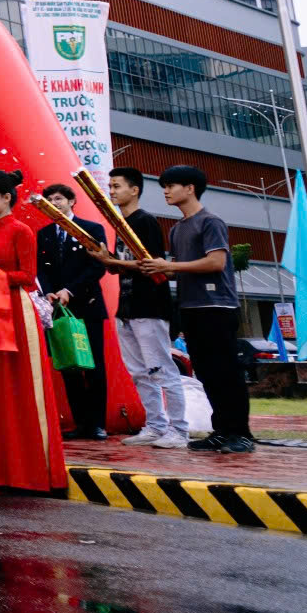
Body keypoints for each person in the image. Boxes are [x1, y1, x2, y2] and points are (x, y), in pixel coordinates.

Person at [0, 170, 65, 494]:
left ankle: (36, 472)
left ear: (7, 197)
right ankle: (6, 472)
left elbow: (27, 275)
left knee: (24, 387)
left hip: (17, 312)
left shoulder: (22, 231)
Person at [157, 165, 253, 454]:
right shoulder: (176, 229)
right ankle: (221, 432)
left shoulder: (210, 222)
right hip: (191, 307)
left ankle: (241, 434)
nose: (166, 191)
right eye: (165, 186)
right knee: (208, 374)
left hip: (217, 306)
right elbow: (180, 269)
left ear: (190, 188)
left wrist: (170, 266)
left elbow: (216, 263)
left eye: (172, 185)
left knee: (227, 373)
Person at [105, 167, 186, 449]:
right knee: (138, 372)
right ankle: (155, 425)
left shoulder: (145, 221)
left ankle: (179, 430)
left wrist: (112, 261)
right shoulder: (120, 224)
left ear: (134, 189)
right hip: (126, 308)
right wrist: (105, 259)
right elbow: (119, 266)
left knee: (162, 369)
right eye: (110, 186)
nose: (112, 191)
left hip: (150, 307)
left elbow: (148, 264)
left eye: (116, 186)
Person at [36, 183, 110, 441]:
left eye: (59, 199)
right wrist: (49, 291)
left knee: (93, 366)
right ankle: (81, 422)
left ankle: (98, 424)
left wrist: (70, 290)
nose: (55, 203)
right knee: (69, 365)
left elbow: (97, 267)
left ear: (71, 201)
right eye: (49, 200)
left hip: (86, 306)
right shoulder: (43, 234)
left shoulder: (91, 229)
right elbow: (40, 269)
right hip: (58, 309)